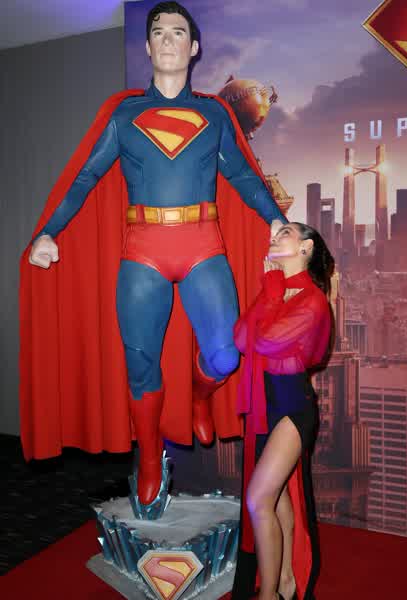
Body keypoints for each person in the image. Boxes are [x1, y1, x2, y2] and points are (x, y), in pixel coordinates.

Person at [22, 1, 286, 505]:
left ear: (194, 47)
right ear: (147, 46)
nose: (167, 39)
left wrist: (275, 217)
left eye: (178, 32)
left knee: (224, 355)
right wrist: (48, 232)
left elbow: (241, 175)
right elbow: (85, 177)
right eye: (159, 32)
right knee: (141, 367)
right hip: (143, 250)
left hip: (202, 243)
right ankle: (148, 456)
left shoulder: (214, 113)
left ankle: (199, 398)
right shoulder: (124, 115)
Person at [232, 222, 333, 600]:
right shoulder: (273, 288)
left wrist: (272, 292)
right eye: (275, 235)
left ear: (306, 248)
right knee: (277, 499)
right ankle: (287, 580)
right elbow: (242, 340)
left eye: (285, 233)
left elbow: (268, 341)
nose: (274, 238)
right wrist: (270, 291)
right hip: (265, 405)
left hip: (293, 407)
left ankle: (269, 595)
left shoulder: (313, 299)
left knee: (258, 499)